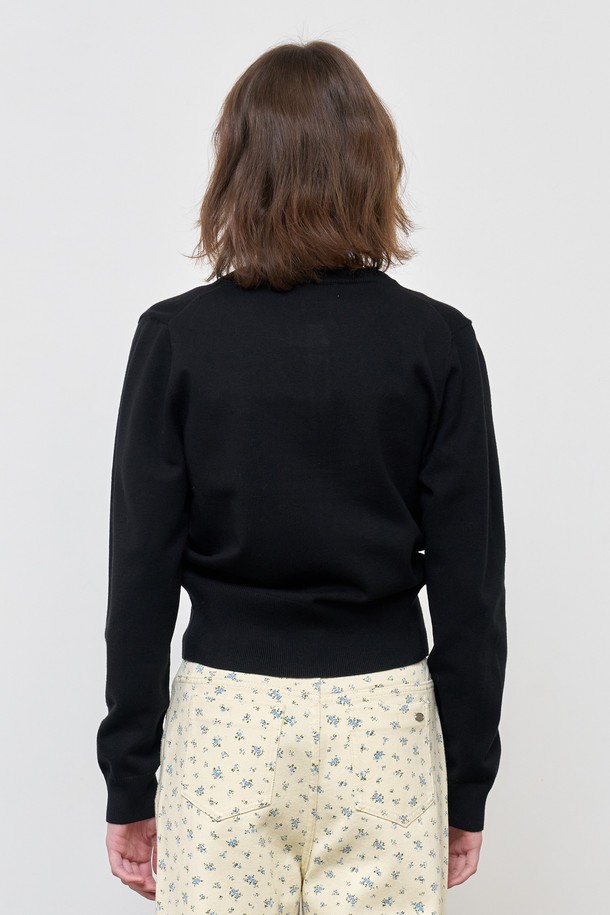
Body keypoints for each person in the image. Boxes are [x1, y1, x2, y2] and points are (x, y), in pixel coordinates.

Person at [96, 39, 507, 913]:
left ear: (238, 168)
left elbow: (139, 576)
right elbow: (470, 586)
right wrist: (467, 781)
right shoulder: (438, 343)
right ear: (372, 166)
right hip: (384, 726)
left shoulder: (176, 340)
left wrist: (129, 778)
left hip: (227, 727)